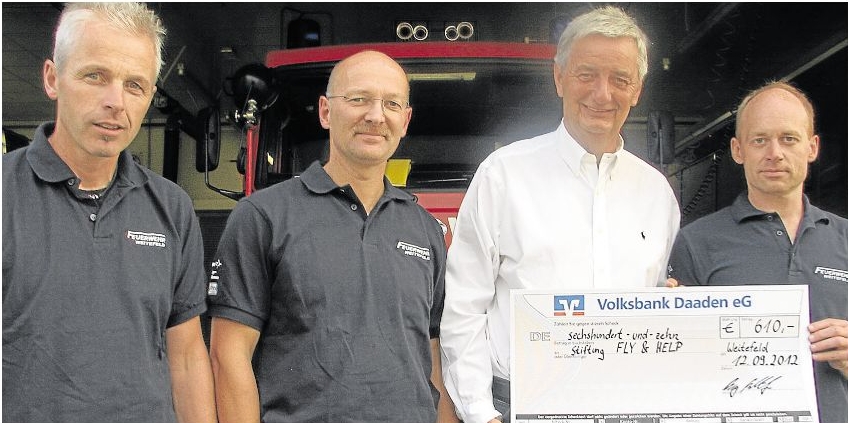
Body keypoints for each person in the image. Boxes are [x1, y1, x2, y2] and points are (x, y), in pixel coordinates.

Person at [438, 6, 681, 423]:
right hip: (517, 408)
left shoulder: (657, 194)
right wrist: (480, 414)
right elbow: (463, 309)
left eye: (619, 79)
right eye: (587, 74)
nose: (602, 94)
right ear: (559, 78)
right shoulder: (503, 175)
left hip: (628, 408)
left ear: (637, 89)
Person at [207, 50, 450, 423]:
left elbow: (431, 351)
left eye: (391, 103)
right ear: (325, 111)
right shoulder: (262, 216)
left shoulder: (425, 229)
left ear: (405, 120)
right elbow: (228, 355)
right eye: (358, 99)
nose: (375, 115)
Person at [2, 3, 216, 423]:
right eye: (95, 76)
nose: (115, 102)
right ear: (52, 79)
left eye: (134, 85)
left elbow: (187, 356)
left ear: (150, 97)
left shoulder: (173, 208)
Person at [666, 81, 848, 423]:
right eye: (759, 140)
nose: (774, 153)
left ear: (812, 147)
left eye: (789, 139)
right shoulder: (696, 242)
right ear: (738, 150)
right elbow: (676, 370)